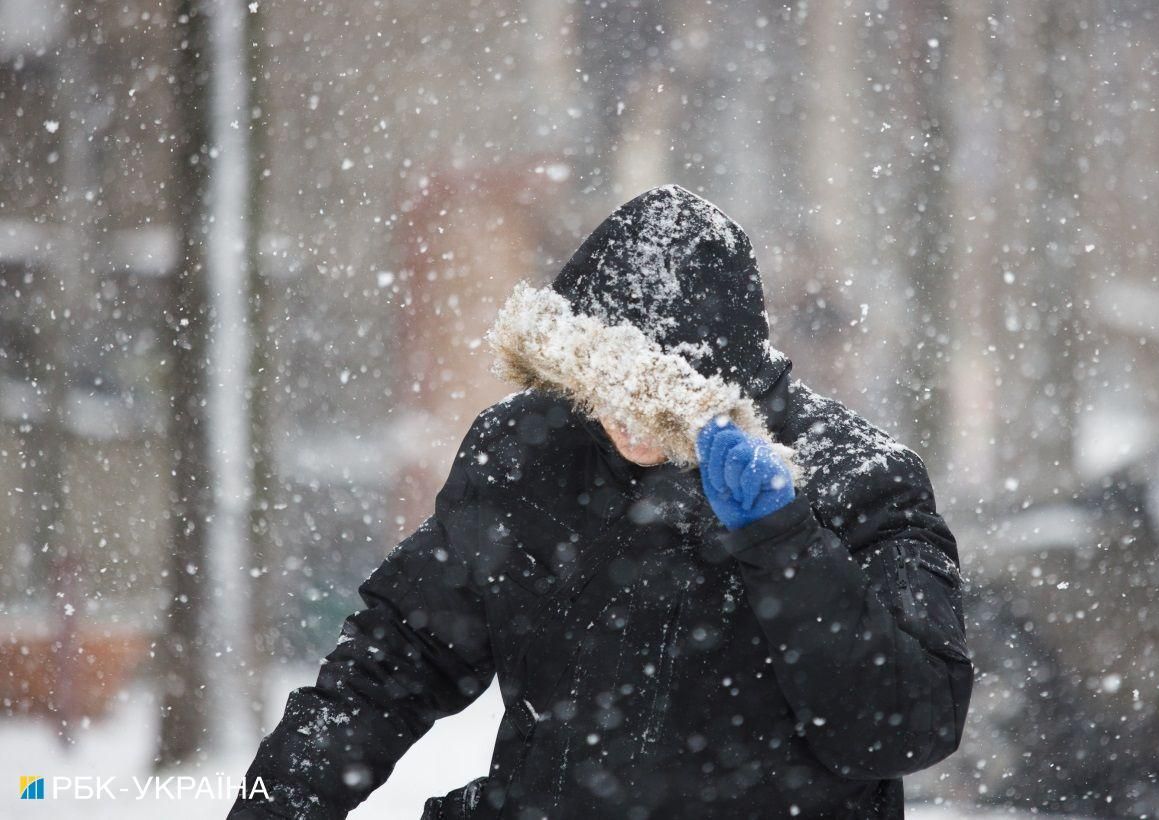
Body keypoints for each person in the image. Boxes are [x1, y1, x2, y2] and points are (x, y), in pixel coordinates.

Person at [229, 184, 972, 820]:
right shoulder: (527, 454)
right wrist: (271, 804)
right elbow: (388, 667)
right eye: (601, 383)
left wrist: (784, 542)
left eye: (655, 394)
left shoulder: (861, 480)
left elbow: (906, 729)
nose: (624, 417)